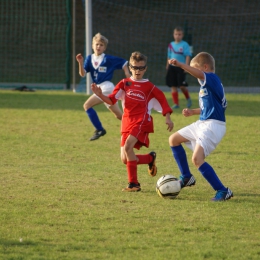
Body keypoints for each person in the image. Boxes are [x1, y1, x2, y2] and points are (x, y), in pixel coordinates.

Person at [92, 51, 174, 192]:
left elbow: (161, 98)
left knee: (128, 147)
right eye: (135, 67)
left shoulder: (149, 86)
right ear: (130, 67)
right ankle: (149, 158)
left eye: (141, 68)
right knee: (125, 158)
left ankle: (134, 184)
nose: (137, 71)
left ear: (145, 68)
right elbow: (112, 100)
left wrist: (167, 117)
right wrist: (100, 95)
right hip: (127, 122)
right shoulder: (125, 83)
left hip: (141, 121)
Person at [168, 52, 233, 201]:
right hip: (203, 122)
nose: (194, 74)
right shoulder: (208, 84)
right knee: (174, 139)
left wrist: (181, 65)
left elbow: (199, 74)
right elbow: (214, 107)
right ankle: (186, 177)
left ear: (205, 67)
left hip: (213, 126)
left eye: (196, 70)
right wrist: (193, 112)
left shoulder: (210, 78)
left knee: (197, 159)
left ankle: (223, 191)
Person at [76, 33, 131, 141]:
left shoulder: (108, 59)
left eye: (101, 45)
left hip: (107, 88)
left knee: (87, 105)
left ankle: (100, 129)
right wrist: (80, 63)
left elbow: (124, 62)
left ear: (104, 48)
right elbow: (82, 74)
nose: (98, 47)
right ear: (92, 45)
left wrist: (127, 74)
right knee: (119, 116)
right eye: (97, 44)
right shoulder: (89, 59)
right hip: (100, 88)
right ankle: (135, 127)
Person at [166, 26, 192, 109]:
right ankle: (176, 104)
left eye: (179, 34)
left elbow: (188, 56)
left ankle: (188, 99)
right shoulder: (171, 45)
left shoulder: (185, 45)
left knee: (181, 86)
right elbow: (169, 56)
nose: (177, 36)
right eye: (176, 34)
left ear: (182, 35)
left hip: (181, 67)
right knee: (173, 85)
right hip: (172, 67)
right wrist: (168, 65)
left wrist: (186, 67)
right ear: (173, 35)